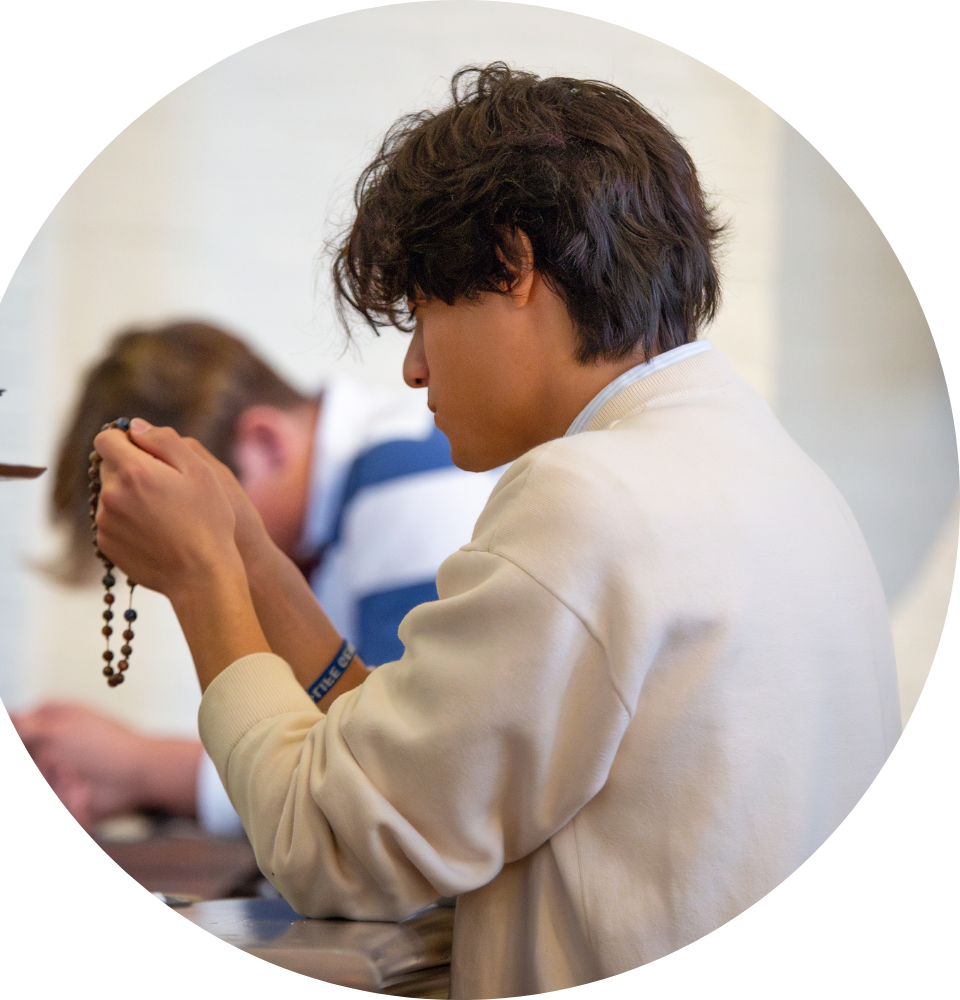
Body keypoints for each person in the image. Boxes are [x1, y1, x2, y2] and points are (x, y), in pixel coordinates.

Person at [90, 65, 900, 995]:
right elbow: (415, 775)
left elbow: (336, 845)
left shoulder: (588, 498)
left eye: (423, 314)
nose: (414, 368)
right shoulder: (763, 468)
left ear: (513, 266)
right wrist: (253, 560)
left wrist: (201, 580)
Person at [13, 322, 502, 834]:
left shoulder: (410, 487)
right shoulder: (344, 512)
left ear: (264, 444)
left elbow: (394, 788)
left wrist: (144, 768)